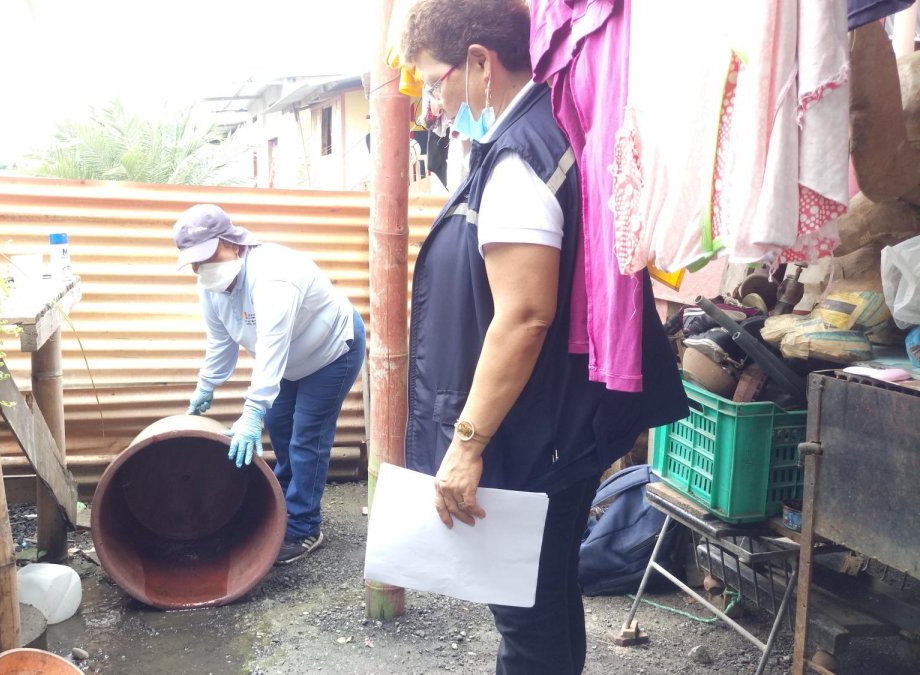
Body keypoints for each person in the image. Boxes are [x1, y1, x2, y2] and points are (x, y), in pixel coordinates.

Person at [400, 1, 687, 673]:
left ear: (479, 62)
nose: (432, 104)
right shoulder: (535, 134)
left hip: (529, 435)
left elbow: (525, 314)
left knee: (528, 621)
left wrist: (466, 445)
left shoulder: (520, 158)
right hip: (551, 426)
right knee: (547, 600)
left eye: (434, 82)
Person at [173, 204, 366, 565]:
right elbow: (221, 343)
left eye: (208, 256)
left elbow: (271, 347)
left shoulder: (273, 275)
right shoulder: (212, 289)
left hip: (331, 352)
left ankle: (304, 526)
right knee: (279, 426)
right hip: (286, 364)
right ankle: (284, 501)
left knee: (307, 434)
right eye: (195, 262)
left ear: (232, 244)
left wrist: (251, 411)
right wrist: (206, 386)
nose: (203, 269)